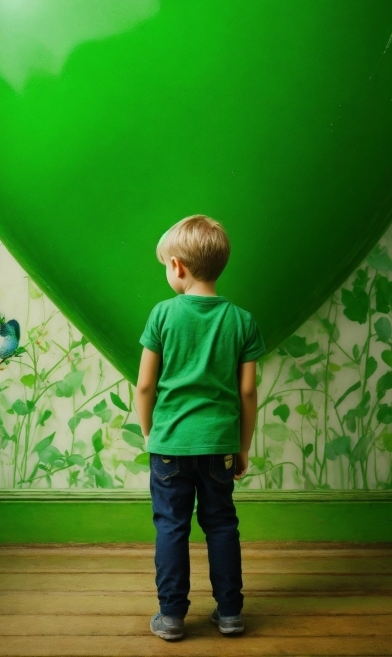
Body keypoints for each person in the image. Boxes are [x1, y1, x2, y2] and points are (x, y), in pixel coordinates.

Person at [135, 214, 266, 641]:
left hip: (171, 444)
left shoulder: (162, 315)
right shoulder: (242, 321)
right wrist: (242, 446)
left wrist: (149, 434)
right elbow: (247, 393)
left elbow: (145, 386)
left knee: (171, 526)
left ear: (177, 266)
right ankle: (230, 613)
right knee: (222, 524)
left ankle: (172, 616)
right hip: (219, 445)